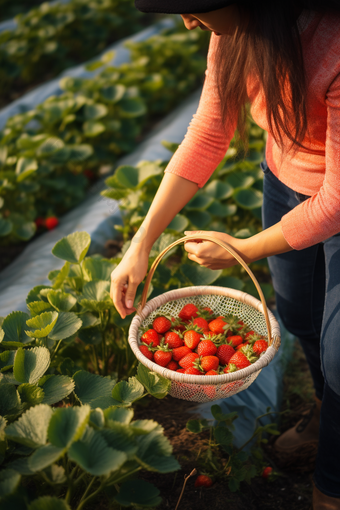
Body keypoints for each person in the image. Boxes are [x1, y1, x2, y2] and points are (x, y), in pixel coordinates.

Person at [110, 1, 340, 508]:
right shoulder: (234, 31)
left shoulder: (334, 45)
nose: (189, 21)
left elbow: (336, 201)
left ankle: (331, 485)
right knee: (300, 315)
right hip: (285, 181)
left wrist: (245, 249)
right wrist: (141, 242)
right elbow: (210, 129)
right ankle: (326, 409)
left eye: (198, 7)